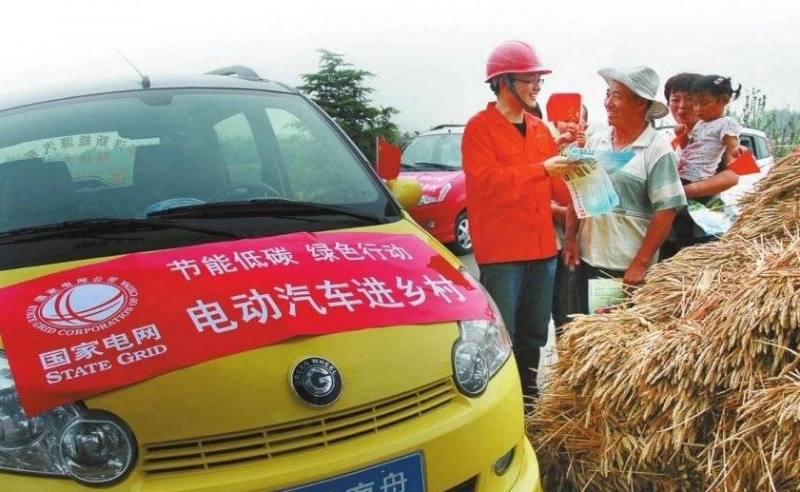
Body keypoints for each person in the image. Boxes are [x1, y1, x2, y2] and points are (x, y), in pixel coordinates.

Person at [461, 40, 576, 401]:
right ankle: (501, 402)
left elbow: (558, 186)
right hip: (503, 253)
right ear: (503, 81)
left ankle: (528, 398)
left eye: (538, 79)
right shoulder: (479, 128)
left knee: (534, 333)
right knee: (503, 333)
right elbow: (487, 182)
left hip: (542, 249)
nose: (537, 86)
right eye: (529, 79)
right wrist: (541, 169)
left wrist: (581, 167)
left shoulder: (541, 129)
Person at [562, 66, 687, 313]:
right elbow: (579, 193)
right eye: (608, 94)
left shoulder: (656, 151)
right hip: (587, 259)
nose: (608, 102)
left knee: (614, 343)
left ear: (641, 104)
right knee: (584, 334)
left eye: (617, 96)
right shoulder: (596, 142)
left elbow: (667, 211)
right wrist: (569, 238)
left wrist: (640, 263)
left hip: (624, 270)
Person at [662, 74, 743, 256]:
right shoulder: (672, 138)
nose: (682, 106)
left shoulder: (721, 131)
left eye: (690, 99)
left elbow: (736, 174)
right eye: (675, 99)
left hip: (703, 225)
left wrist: (687, 191)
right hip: (669, 230)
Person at [551, 105, 588, 333]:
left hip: (575, 246)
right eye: (565, 118)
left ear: (586, 125)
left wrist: (551, 209)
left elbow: (585, 209)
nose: (571, 124)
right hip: (548, 247)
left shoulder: (586, 156)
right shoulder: (547, 153)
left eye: (577, 119)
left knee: (570, 313)